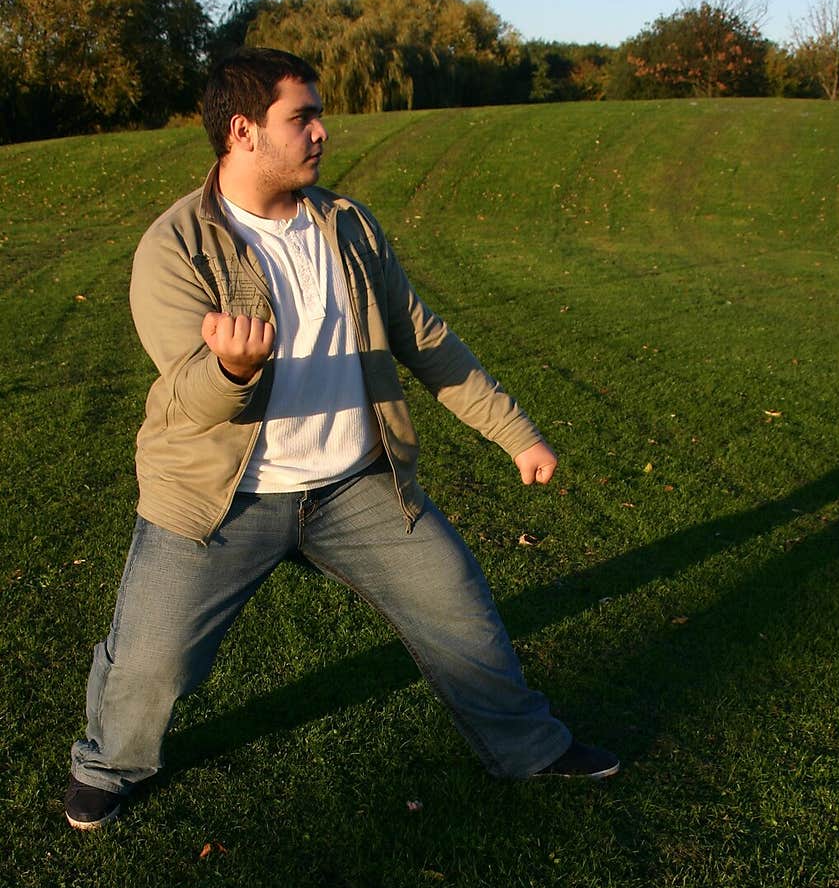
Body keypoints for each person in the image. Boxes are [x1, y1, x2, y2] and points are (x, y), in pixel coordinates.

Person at [65, 47, 619, 831]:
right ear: (242, 131)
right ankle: (108, 766)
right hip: (218, 497)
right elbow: (187, 398)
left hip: (355, 486)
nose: (323, 131)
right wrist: (231, 367)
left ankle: (527, 747)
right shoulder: (175, 246)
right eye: (302, 117)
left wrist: (516, 433)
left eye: (319, 114)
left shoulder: (348, 225)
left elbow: (426, 341)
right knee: (153, 663)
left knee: (461, 612)